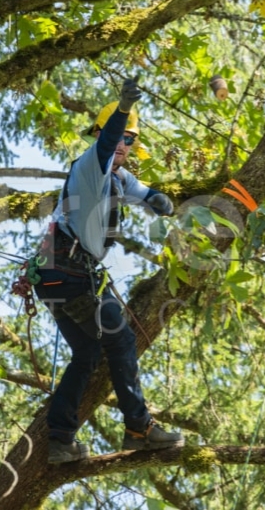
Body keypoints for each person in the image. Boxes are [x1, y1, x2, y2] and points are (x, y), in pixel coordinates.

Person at [33, 77, 184, 464]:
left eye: (129, 140)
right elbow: (105, 146)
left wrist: (158, 201)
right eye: (117, 136)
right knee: (121, 340)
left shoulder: (118, 176)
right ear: (99, 134)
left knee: (87, 355)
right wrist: (120, 110)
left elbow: (142, 192)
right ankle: (139, 427)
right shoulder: (90, 165)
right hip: (69, 274)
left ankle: (60, 439)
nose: (121, 144)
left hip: (56, 279)